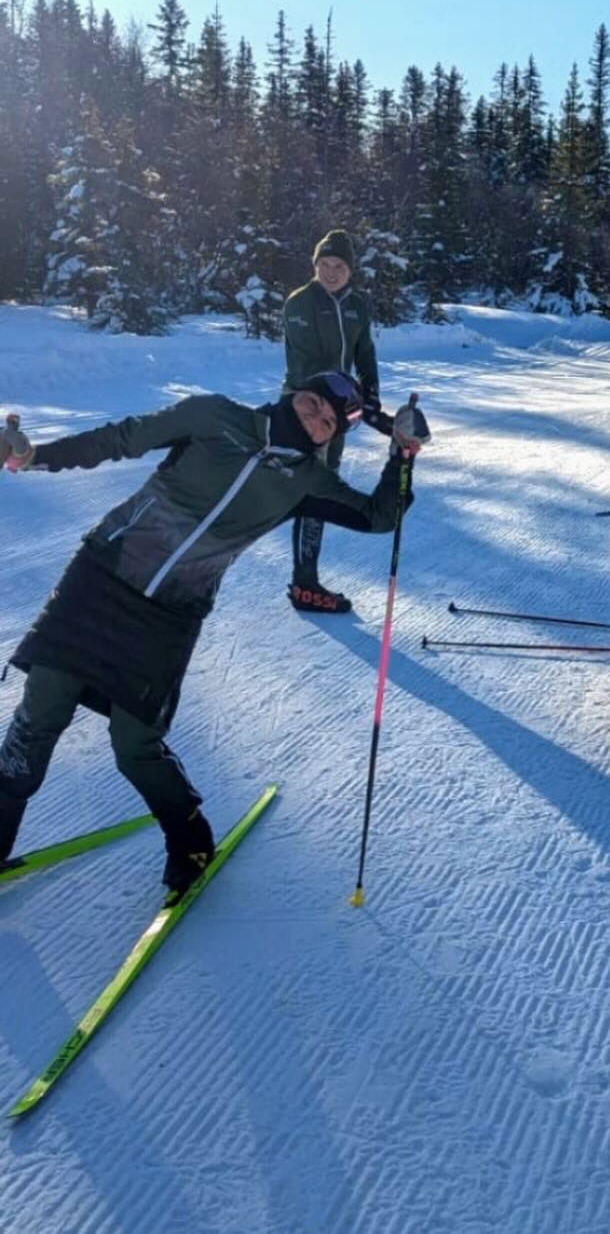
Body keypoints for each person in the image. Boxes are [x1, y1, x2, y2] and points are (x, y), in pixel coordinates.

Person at [0, 372, 423, 897]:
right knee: (38, 715)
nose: (315, 419)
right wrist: (35, 456)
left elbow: (378, 516)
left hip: (170, 613)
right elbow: (119, 439)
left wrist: (402, 454)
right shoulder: (213, 416)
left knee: (135, 744)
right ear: (295, 393)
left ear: (331, 437)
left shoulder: (306, 481)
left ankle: (191, 840)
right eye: (313, 403)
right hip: (102, 576)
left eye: (328, 423)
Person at [282, 229, 381, 614]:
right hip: (307, 408)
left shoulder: (357, 305)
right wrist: (341, 399)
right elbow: (306, 364)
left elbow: (364, 351)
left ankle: (305, 579)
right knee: (312, 489)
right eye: (325, 264)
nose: (331, 272)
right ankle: (304, 584)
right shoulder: (300, 302)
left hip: (338, 410)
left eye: (339, 265)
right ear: (315, 265)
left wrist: (370, 394)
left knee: (321, 487)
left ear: (350, 270)